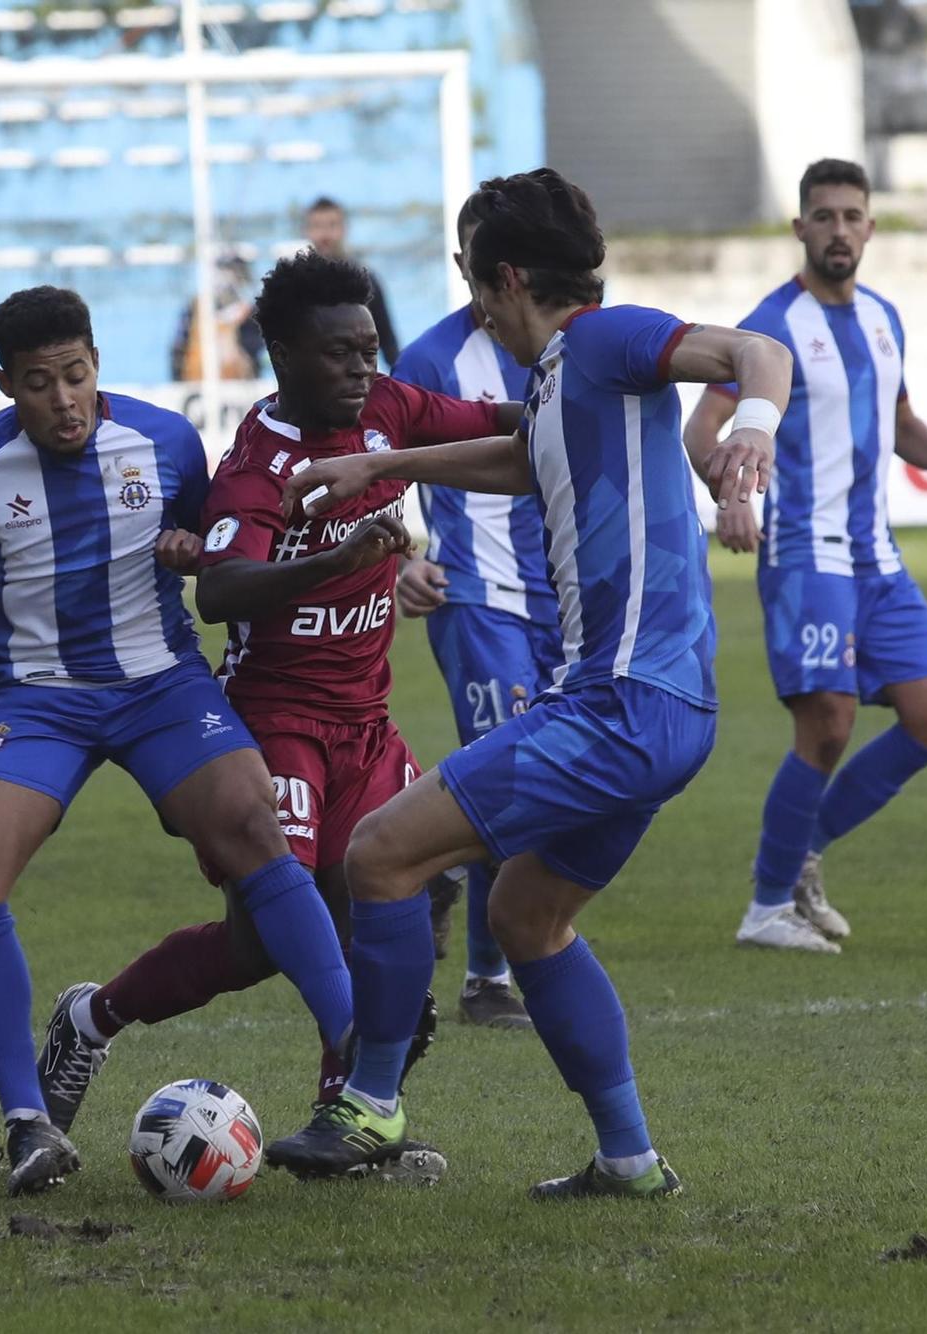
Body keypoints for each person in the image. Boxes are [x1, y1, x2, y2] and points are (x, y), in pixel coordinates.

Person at [259, 168, 792, 1199]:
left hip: (620, 703)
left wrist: (750, 432)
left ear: (504, 277)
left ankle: (368, 1106)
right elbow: (521, 458)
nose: (470, 299)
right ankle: (627, 1157)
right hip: (657, 706)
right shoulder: (561, 378)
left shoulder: (596, 339)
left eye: (469, 276)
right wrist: (383, 470)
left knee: (376, 854)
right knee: (528, 914)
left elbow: (749, 352)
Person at [0, 286, 357, 1197]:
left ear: (97, 364)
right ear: (7, 384)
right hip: (39, 700)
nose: (63, 400)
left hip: (162, 684)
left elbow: (220, 545)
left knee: (254, 831)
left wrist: (197, 549)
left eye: (75, 375)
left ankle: (361, 1073)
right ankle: (30, 1124)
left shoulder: (166, 442)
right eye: (39, 384)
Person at [33, 250, 514, 1143]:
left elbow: (501, 422)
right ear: (284, 353)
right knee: (269, 940)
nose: (363, 369)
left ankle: (354, 1118)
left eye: (369, 348)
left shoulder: (390, 411)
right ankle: (93, 1019)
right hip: (273, 726)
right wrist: (337, 560)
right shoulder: (260, 464)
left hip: (364, 724)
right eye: (340, 353)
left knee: (359, 900)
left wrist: (585, 399)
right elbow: (221, 588)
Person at [685, 159, 927, 955]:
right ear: (799, 228)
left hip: (877, 559)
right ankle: (764, 910)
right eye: (823, 216)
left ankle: (799, 855)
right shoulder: (770, 325)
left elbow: (901, 425)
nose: (839, 230)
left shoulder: (886, 318)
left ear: (870, 227)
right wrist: (733, 495)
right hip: (805, 553)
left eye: (852, 216)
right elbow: (702, 429)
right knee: (828, 725)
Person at [391, 204, 563, 1031]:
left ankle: (438, 857)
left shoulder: (570, 347)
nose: (476, 274)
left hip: (572, 607)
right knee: (516, 778)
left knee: (559, 783)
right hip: (477, 602)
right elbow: (379, 474)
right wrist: (402, 560)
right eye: (463, 257)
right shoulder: (430, 358)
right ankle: (487, 979)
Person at [304, 197, 399, 368]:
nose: (325, 235)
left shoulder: (367, 281)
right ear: (307, 231)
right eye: (317, 226)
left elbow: (388, 343)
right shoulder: (295, 286)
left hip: (358, 383)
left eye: (332, 225)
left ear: (344, 229)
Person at [168, 252, 264, 381]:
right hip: (197, 381)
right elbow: (179, 348)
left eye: (235, 273)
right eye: (223, 271)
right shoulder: (196, 307)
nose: (227, 279)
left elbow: (255, 351)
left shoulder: (250, 313)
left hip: (239, 381)